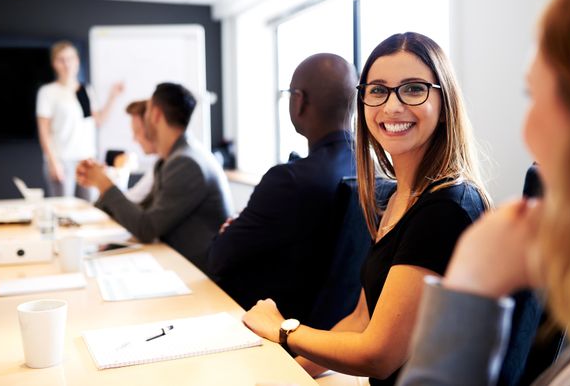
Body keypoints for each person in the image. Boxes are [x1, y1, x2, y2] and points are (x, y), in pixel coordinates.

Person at [398, 0, 570, 386]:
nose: (528, 133)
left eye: (556, 97)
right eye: (376, 89)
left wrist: (471, 287)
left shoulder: (449, 203)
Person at [242, 33, 491, 386]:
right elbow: (362, 319)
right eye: (377, 90)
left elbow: (379, 356)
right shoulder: (399, 196)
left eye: (414, 88)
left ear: (444, 99)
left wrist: (283, 329)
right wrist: (291, 371)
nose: (392, 107)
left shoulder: (445, 207)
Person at [207, 53, 358, 326]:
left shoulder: (288, 180)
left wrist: (230, 230)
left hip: (271, 328)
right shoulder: (370, 170)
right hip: (334, 332)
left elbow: (218, 259)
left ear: (299, 101)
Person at [76, 82, 234, 272]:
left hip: (198, 276)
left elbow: (146, 229)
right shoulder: (173, 158)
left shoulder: (186, 163)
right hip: (179, 264)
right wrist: (101, 182)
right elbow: (142, 212)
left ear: (157, 115)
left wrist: (104, 183)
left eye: (147, 112)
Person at [36, 40, 123, 199]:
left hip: (87, 160)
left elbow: (97, 121)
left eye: (70, 59)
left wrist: (113, 97)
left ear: (77, 61)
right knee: (64, 208)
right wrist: (53, 162)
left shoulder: (84, 91)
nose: (67, 64)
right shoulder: (48, 92)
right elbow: (44, 131)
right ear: (54, 63)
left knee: (90, 207)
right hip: (62, 160)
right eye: (61, 60)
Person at [123, 100, 156, 203]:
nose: (134, 139)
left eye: (137, 131)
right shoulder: (159, 163)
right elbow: (133, 196)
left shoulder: (171, 165)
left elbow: (130, 202)